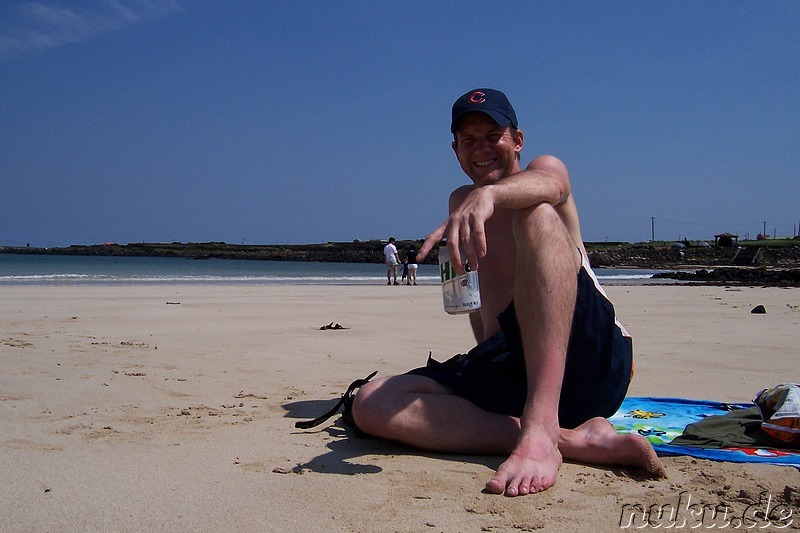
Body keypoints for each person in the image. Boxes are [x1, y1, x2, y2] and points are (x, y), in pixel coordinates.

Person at [351, 88, 665, 496]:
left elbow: (551, 185)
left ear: (517, 140)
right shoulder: (460, 203)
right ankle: (565, 438)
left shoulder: (543, 169)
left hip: (587, 360)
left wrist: (491, 195)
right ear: (456, 150)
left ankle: (540, 429)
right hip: (513, 366)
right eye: (469, 140)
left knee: (534, 213)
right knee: (371, 403)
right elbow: (481, 316)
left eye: (492, 135)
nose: (481, 149)